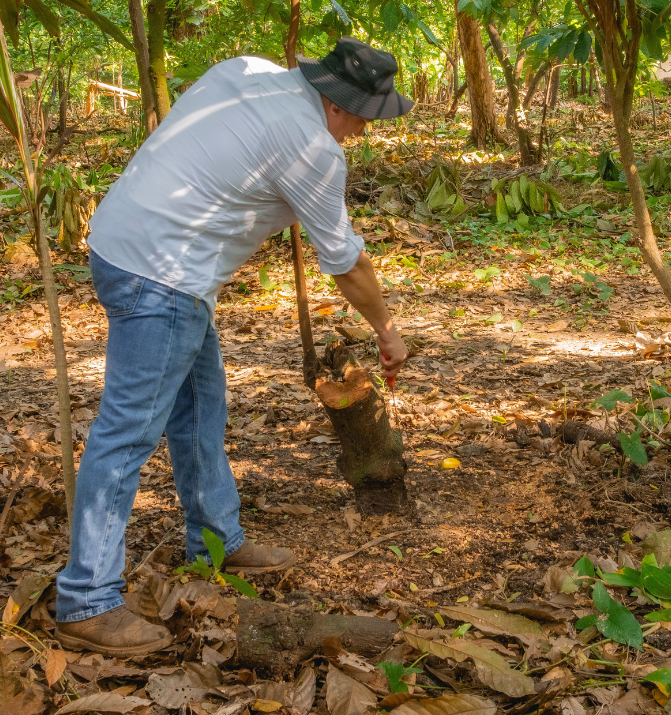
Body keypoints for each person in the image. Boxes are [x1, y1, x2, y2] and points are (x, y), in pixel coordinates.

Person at [55, 38, 413, 657]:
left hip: (128, 246)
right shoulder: (314, 152)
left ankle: (216, 539)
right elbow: (346, 263)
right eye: (364, 116)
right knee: (127, 432)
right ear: (340, 104)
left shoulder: (244, 69)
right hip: (162, 274)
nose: (363, 130)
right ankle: (87, 599)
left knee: (201, 406)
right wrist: (387, 330)